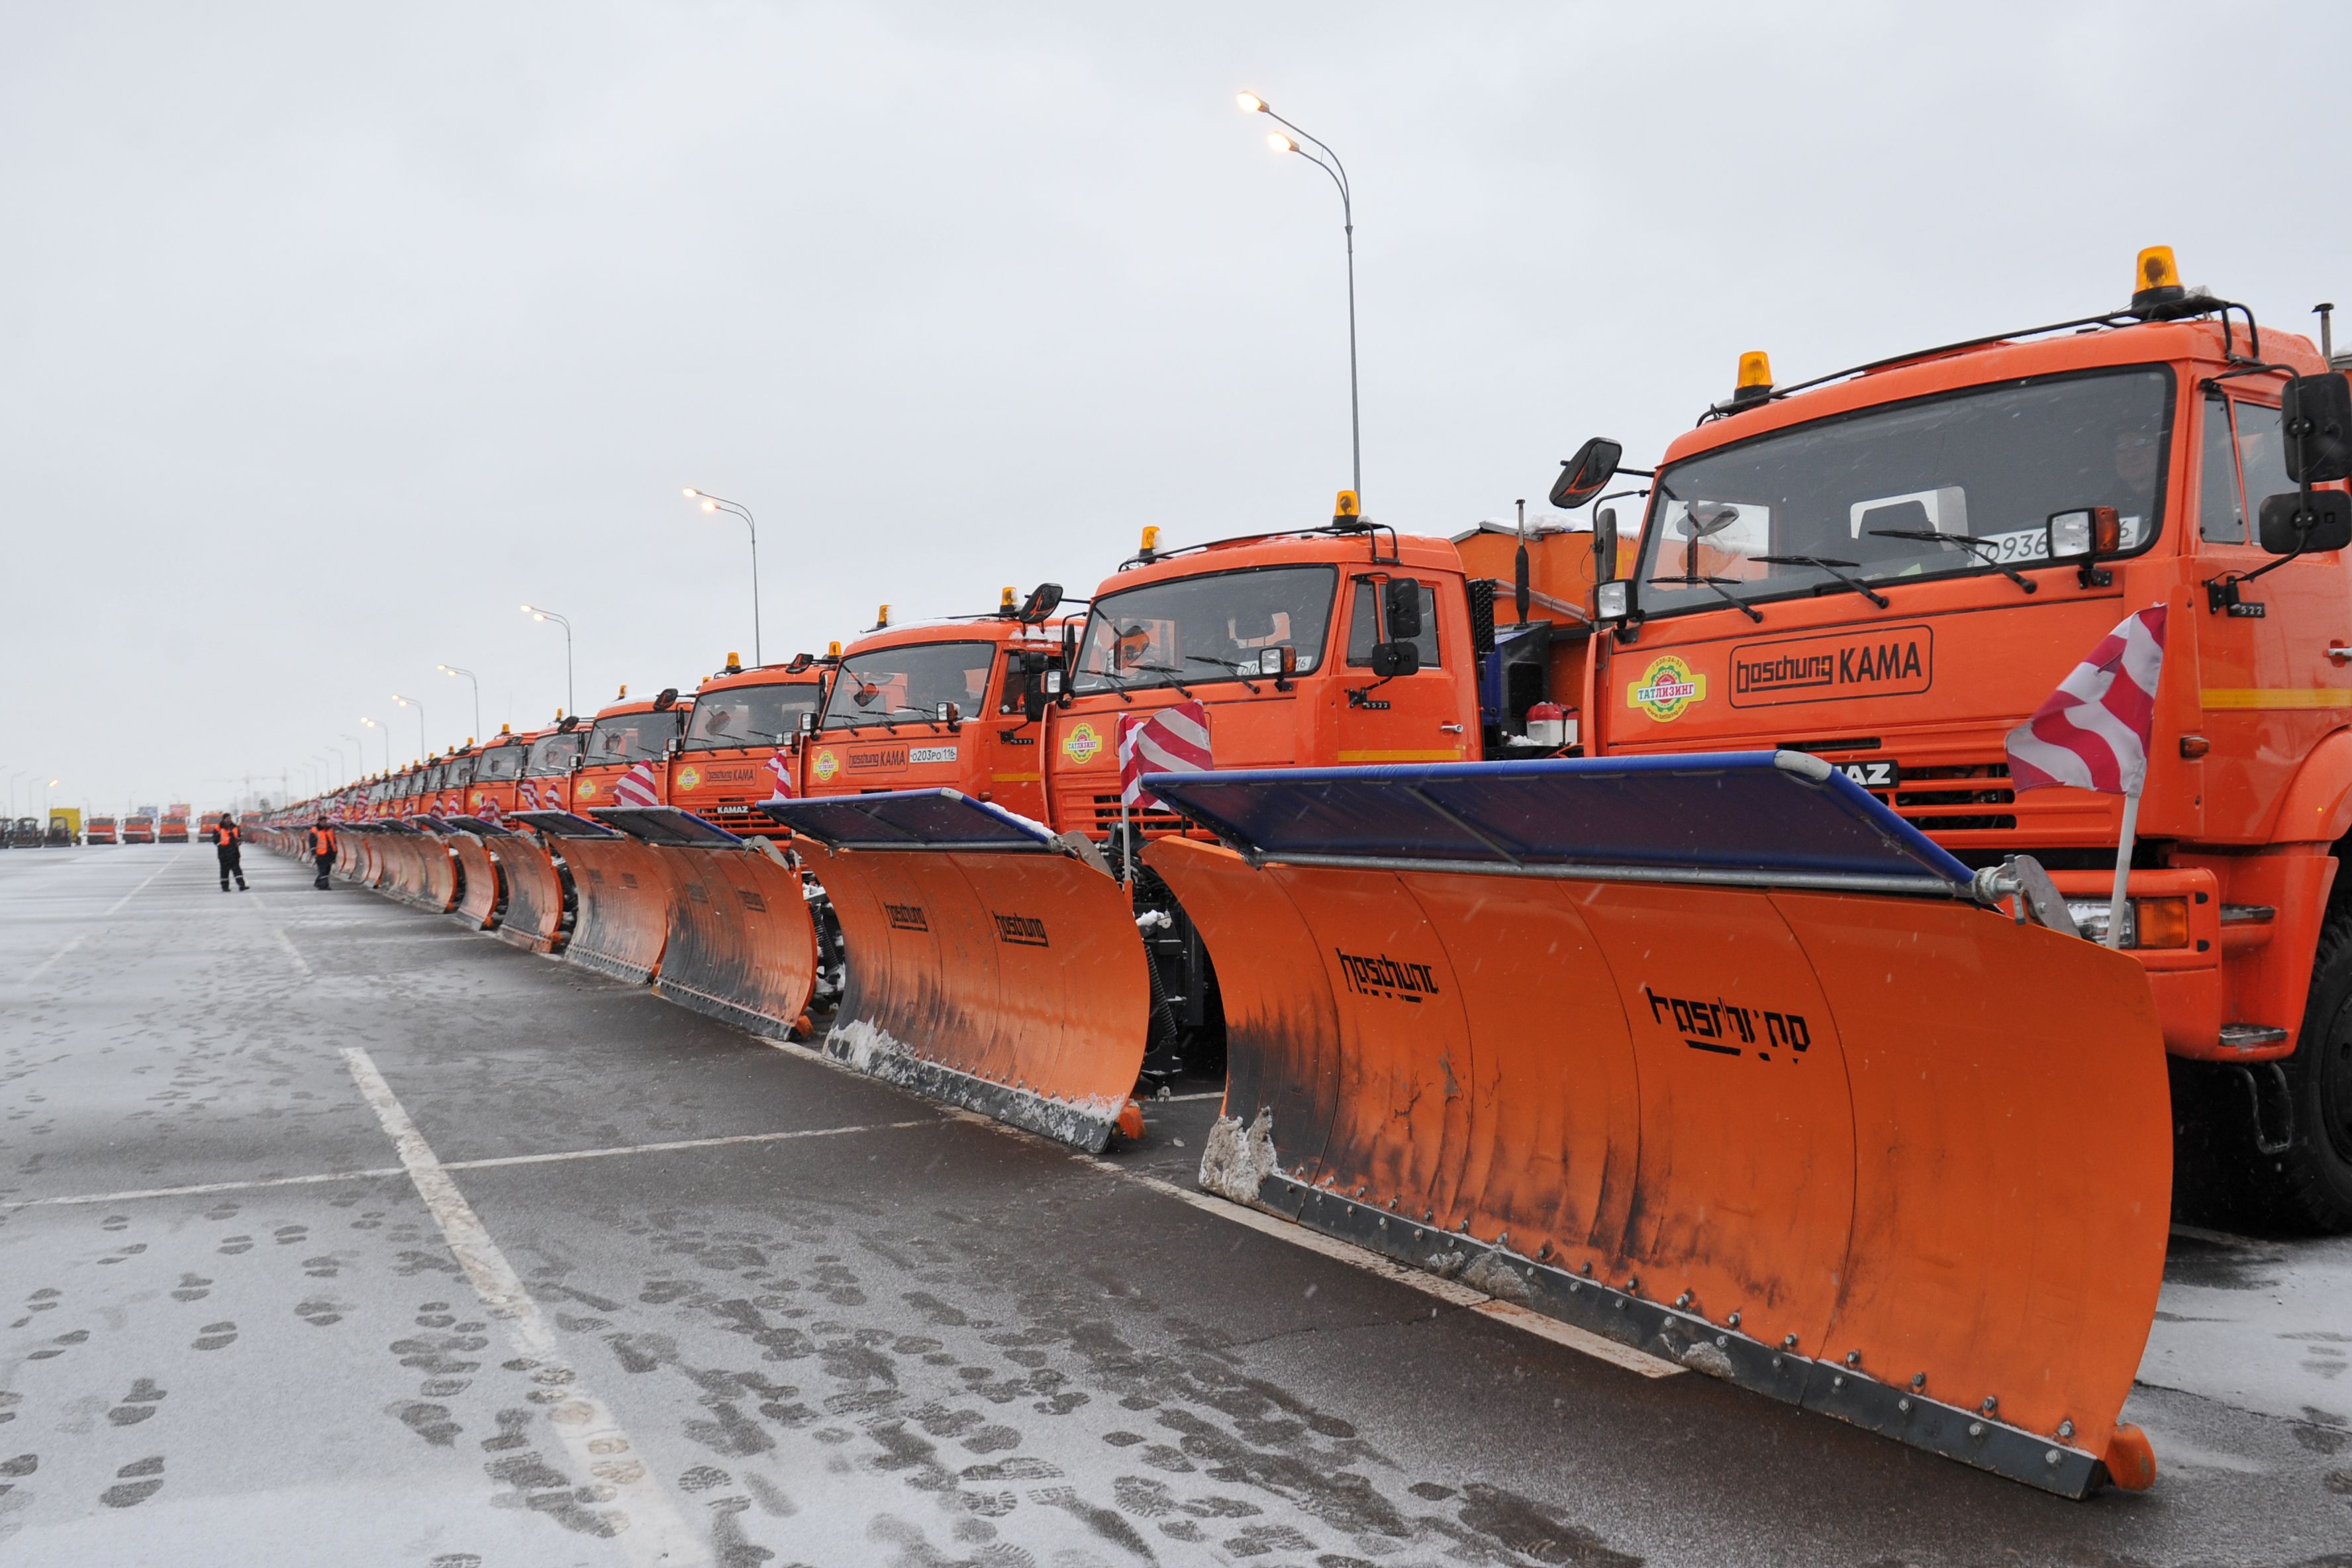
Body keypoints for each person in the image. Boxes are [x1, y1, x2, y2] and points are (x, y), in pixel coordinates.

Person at [214, 812, 247, 893]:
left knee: (237, 870)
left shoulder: (235, 827)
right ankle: (225, 887)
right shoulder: (218, 828)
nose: (229, 820)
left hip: (234, 852)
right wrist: (220, 846)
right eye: (227, 818)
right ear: (224, 819)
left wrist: (239, 841)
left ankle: (241, 885)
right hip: (224, 853)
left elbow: (238, 836)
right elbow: (215, 839)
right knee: (224, 871)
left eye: (230, 818)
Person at [309, 818, 338, 890]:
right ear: (319, 822)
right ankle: (325, 885)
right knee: (323, 870)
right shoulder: (314, 830)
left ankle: (318, 883)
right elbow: (312, 843)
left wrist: (334, 852)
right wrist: (314, 853)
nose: (325, 823)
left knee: (327, 869)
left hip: (330, 853)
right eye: (323, 821)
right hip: (320, 853)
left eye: (325, 821)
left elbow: (333, 841)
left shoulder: (330, 830)